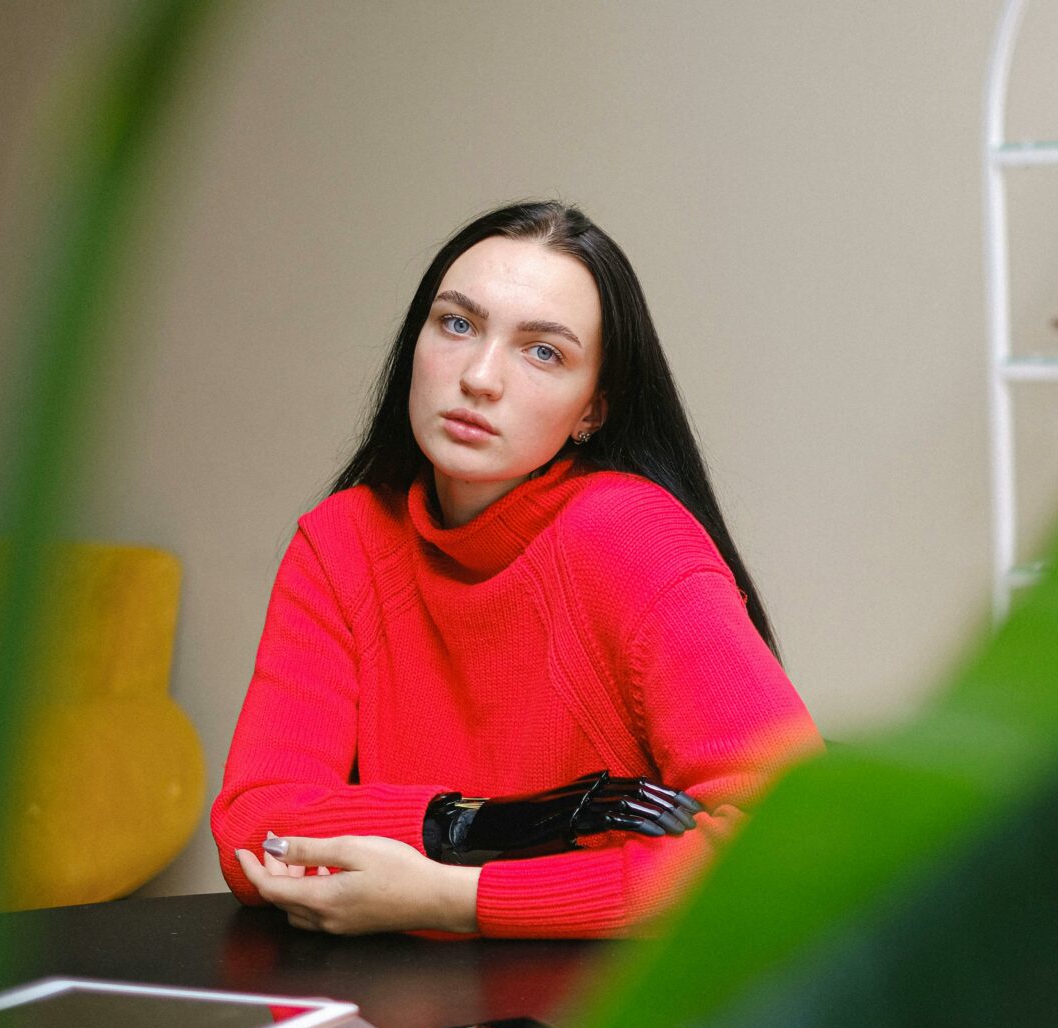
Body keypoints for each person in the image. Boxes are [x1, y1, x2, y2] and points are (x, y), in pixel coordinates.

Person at [212, 201, 821, 937]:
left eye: (543, 352)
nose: (479, 377)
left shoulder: (634, 537)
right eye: (458, 324)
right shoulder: (342, 542)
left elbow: (787, 841)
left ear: (593, 408)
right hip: (398, 1023)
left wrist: (456, 896)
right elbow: (255, 825)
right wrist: (470, 827)